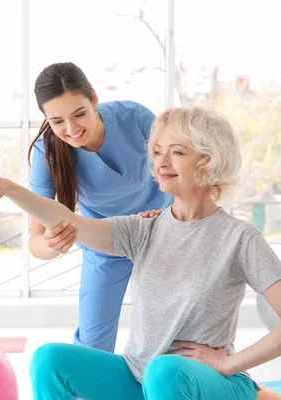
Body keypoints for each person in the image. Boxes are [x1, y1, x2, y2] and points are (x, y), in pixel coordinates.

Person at [0, 107, 281, 400]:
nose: (161, 162)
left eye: (177, 152)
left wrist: (227, 364)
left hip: (202, 384)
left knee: (166, 370)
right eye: (157, 151)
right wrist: (12, 189)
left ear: (208, 162)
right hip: (140, 379)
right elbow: (69, 220)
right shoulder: (144, 228)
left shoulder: (240, 238)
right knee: (50, 359)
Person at [27, 62, 172, 353]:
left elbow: (182, 168)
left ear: (94, 98)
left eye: (79, 114)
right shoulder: (48, 152)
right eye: (57, 121)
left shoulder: (135, 118)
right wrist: (54, 244)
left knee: (171, 335)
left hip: (163, 232)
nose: (71, 129)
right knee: (92, 345)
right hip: (105, 243)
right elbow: (36, 241)